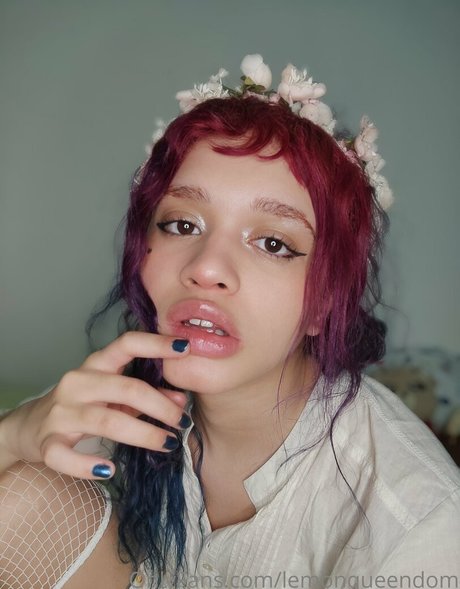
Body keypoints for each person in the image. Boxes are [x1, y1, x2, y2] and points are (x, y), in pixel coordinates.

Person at [0, 54, 459, 589]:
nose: (207, 269)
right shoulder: (118, 401)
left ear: (325, 301)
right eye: (181, 224)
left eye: (273, 243)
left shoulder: (421, 521)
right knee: (20, 492)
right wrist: (13, 436)